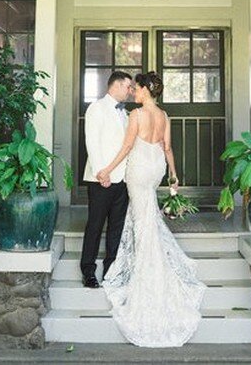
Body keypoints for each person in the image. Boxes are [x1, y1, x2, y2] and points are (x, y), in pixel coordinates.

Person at [96, 71, 206, 347]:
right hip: (156, 167)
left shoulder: (136, 115)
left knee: (142, 217)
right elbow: (167, 147)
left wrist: (107, 169)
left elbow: (127, 146)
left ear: (145, 89)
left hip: (140, 169)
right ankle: (151, 261)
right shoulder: (165, 116)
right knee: (147, 216)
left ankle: (148, 274)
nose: (133, 92)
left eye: (137, 88)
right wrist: (174, 175)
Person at [80, 70, 134, 289]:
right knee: (95, 225)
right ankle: (88, 271)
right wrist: (101, 172)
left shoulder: (126, 113)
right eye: (128, 87)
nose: (131, 91)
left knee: (116, 226)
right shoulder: (97, 108)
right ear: (117, 85)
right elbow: (91, 142)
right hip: (100, 179)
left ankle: (111, 269)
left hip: (122, 180)